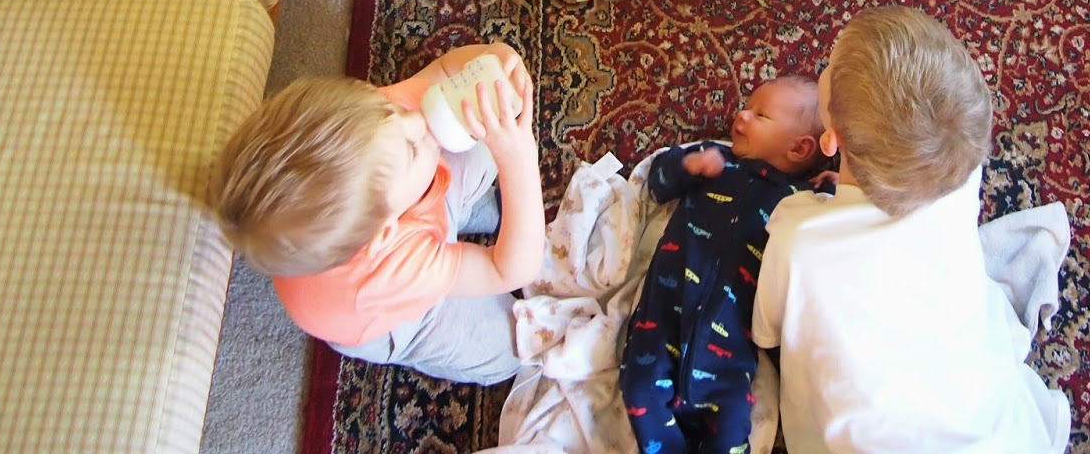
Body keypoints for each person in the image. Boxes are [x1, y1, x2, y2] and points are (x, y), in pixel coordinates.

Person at [752, 7, 1071, 454]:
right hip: (1003, 435)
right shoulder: (962, 178)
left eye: (828, 68)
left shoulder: (797, 234)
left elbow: (766, 332)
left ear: (830, 140)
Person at [206, 43, 543, 383]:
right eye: (410, 149)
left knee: (478, 126)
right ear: (385, 232)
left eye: (389, 108)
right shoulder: (398, 269)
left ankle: (461, 213)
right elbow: (507, 270)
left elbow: (443, 71)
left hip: (396, 215)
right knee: (509, 348)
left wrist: (491, 58)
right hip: (390, 313)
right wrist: (519, 162)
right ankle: (456, 234)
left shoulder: (371, 131)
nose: (416, 119)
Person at [620, 75, 827, 454]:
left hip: (729, 346)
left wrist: (831, 189)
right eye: (746, 107)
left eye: (760, 115)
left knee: (730, 424)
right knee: (639, 389)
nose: (741, 116)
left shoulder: (799, 200)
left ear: (799, 148)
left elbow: (830, 234)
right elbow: (657, 181)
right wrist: (689, 164)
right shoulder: (717, 160)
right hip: (663, 316)